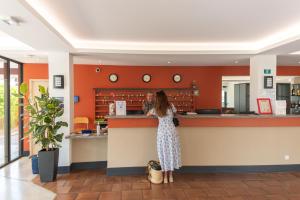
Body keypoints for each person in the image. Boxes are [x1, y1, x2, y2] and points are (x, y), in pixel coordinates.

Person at [147, 90, 181, 183]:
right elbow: (176, 114)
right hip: (172, 133)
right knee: (171, 153)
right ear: (165, 97)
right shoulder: (171, 106)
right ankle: (170, 176)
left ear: (157, 99)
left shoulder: (156, 109)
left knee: (163, 155)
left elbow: (147, 114)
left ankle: (165, 177)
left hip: (162, 134)